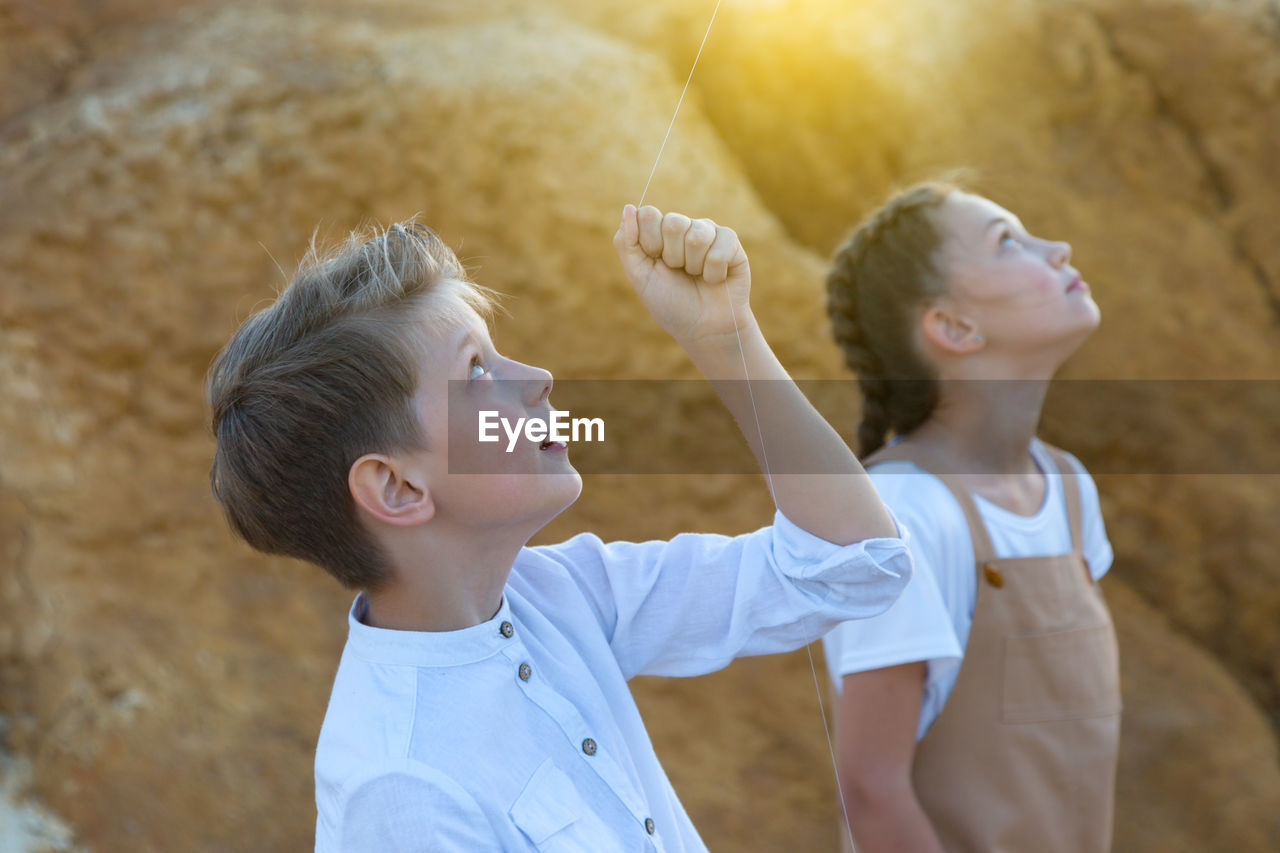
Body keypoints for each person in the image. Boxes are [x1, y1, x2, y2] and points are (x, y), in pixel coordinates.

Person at [207, 204, 914, 851]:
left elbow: (853, 564)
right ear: (396, 487)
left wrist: (727, 340)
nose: (539, 376)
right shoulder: (401, 788)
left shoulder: (562, 592)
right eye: (477, 371)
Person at [820, 183, 1121, 853]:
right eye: (1009, 241)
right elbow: (870, 789)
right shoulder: (903, 513)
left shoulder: (1068, 490)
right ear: (954, 327)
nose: (1058, 248)